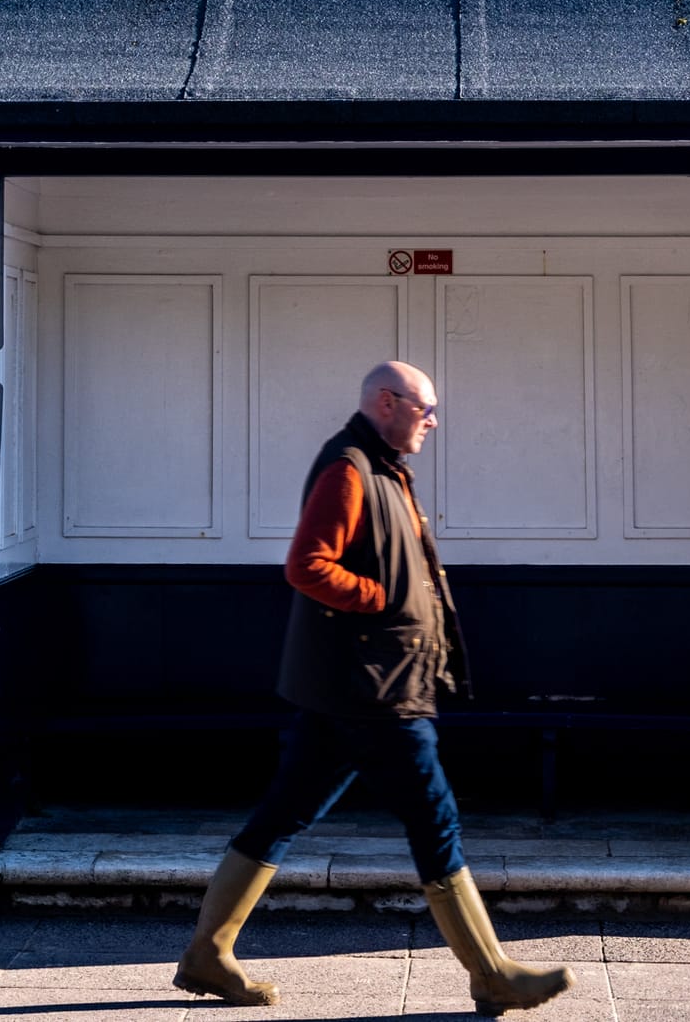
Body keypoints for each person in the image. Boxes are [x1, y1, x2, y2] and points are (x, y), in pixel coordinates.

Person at [175, 361, 576, 1014]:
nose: (434, 421)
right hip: (375, 688)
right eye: (426, 408)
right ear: (388, 403)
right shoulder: (350, 470)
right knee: (434, 818)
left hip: (358, 685)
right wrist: (382, 598)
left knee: (283, 812)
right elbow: (307, 564)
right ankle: (492, 973)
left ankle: (206, 954)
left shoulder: (379, 466)